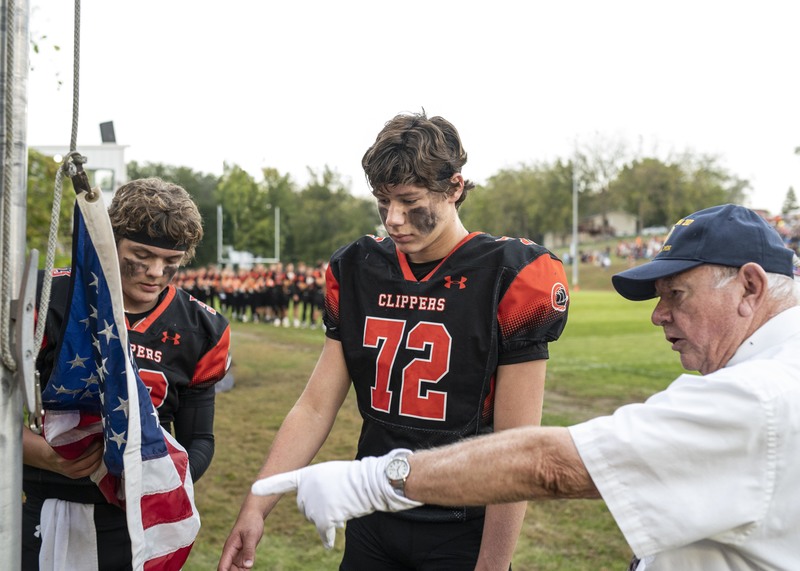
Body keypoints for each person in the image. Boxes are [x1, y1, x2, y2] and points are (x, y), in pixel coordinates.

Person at [249, 203, 800, 571]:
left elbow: (549, 465)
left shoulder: (761, 394)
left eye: (676, 294)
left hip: (454, 530)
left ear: (749, 286)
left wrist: (373, 479)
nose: (659, 316)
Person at [218, 111, 569, 571]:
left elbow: (516, 443)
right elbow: (315, 406)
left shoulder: (512, 274)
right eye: (382, 201)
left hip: (460, 525)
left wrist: (493, 563)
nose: (394, 219)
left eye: (409, 200)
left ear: (455, 188)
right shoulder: (359, 267)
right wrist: (256, 504)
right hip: (372, 513)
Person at [22, 177, 232, 570]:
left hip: (134, 523)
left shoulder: (201, 328)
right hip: (46, 505)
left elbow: (199, 438)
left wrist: (152, 478)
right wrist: (43, 455)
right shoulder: (49, 297)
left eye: (171, 262)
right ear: (110, 240)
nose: (155, 272)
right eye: (141, 254)